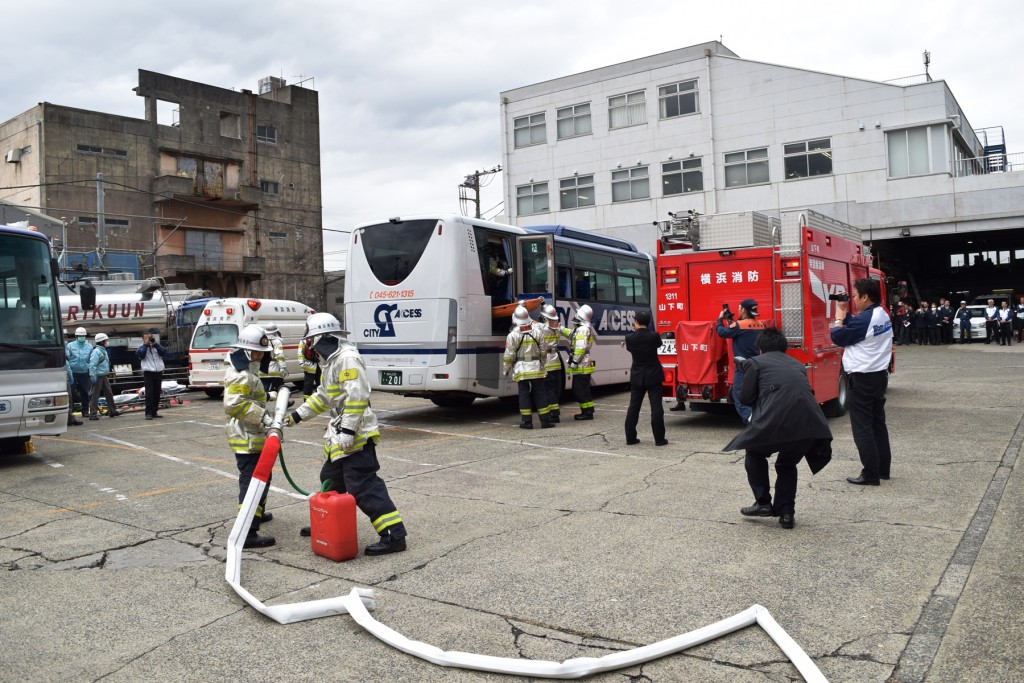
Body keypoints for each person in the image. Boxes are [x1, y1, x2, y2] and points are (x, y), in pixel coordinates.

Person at [285, 313, 408, 555]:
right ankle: (327, 520)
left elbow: (357, 396)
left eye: (311, 340)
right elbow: (322, 396)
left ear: (321, 337)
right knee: (330, 480)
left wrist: (349, 431)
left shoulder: (347, 359)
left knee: (363, 486)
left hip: (356, 436)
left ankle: (394, 535)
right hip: (340, 436)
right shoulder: (330, 361)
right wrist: (295, 417)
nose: (308, 346)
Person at [723, 328, 833, 529]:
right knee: (786, 465)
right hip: (811, 425)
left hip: (777, 422)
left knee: (754, 452)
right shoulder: (799, 365)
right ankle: (786, 514)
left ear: (761, 348)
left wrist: (744, 374)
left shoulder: (756, 363)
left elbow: (746, 398)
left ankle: (763, 503)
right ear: (785, 347)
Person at [831, 277, 893, 486]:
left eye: (856, 296)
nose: (854, 299)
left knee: (862, 428)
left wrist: (839, 317)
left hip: (862, 379)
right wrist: (846, 312)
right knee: (877, 425)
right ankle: (882, 470)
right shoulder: (880, 313)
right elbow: (858, 326)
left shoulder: (866, 319)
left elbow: (838, 336)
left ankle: (870, 474)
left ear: (865, 297)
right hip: (878, 376)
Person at [223, 324, 276, 549]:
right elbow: (234, 404)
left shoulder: (247, 372)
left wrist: (270, 395)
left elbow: (249, 395)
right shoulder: (241, 374)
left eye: (261, 353)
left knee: (262, 479)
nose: (260, 356)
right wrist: (264, 417)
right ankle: (248, 531)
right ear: (245, 351)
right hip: (247, 437)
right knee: (254, 482)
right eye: (256, 353)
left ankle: (256, 513)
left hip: (251, 436)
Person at [503, 305, 554, 429]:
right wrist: (542, 365)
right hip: (536, 368)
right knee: (540, 393)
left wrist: (506, 369)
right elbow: (543, 352)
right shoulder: (537, 332)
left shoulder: (512, 335)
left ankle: (527, 422)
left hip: (521, 369)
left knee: (524, 395)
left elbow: (509, 355)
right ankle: (545, 421)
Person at [716, 298, 765, 425]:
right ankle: (759, 422)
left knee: (740, 398)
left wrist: (720, 319)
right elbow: (743, 333)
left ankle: (753, 425)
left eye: (739, 308)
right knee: (754, 397)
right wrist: (732, 321)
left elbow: (721, 332)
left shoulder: (739, 325)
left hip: (743, 368)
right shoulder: (760, 324)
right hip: (757, 366)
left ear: (743, 309)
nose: (738, 310)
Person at [623, 310, 667, 446]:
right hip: (654, 375)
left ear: (636, 322)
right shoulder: (654, 336)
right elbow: (659, 345)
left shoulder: (629, 338)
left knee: (634, 407)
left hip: (637, 376)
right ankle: (659, 439)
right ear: (648, 323)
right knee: (656, 408)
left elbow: (630, 348)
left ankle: (630, 438)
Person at [563, 304, 597, 420]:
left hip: (581, 366)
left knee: (579, 390)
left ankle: (586, 413)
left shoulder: (582, 329)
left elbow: (580, 348)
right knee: (584, 389)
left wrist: (574, 363)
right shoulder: (582, 328)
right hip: (584, 365)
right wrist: (559, 329)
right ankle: (588, 411)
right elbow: (571, 334)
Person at [538, 304, 564, 423]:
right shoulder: (558, 328)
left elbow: (529, 323)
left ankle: (553, 414)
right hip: (557, 362)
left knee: (548, 390)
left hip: (547, 363)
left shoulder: (542, 328)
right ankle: (555, 413)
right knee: (555, 390)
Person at [87, 333, 120, 419]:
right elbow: (92, 365)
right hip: (97, 376)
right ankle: (93, 414)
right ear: (102, 341)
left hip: (103, 375)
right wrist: (93, 376)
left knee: (109, 393)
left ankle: (112, 411)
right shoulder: (97, 352)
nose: (107, 342)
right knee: (95, 395)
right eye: (105, 340)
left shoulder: (103, 350)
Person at [136, 328, 167, 420]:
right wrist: (146, 345)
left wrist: (155, 344)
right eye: (146, 338)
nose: (149, 339)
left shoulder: (156, 347)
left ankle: (154, 412)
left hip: (158, 373)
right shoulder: (141, 348)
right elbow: (141, 355)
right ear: (143, 339)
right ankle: (148, 413)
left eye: (150, 338)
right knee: (149, 394)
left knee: (157, 393)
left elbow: (164, 352)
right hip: (148, 373)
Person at [65, 326, 93, 420]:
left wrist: (91, 372)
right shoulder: (70, 346)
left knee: (85, 392)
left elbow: (91, 360)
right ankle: (70, 412)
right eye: (80, 336)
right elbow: (67, 358)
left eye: (83, 336)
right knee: (71, 393)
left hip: (84, 373)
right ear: (76, 336)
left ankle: (85, 411)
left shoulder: (89, 347)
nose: (82, 337)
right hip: (73, 373)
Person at [259, 322, 288, 395]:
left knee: (264, 391)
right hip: (274, 369)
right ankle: (284, 404)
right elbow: (279, 355)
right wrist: (282, 367)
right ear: (275, 331)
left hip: (262, 370)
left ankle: (261, 405)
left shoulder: (261, 340)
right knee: (281, 389)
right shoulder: (277, 341)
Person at [297, 333, 320, 398]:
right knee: (315, 384)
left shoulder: (304, 339)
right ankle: (309, 402)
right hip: (315, 365)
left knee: (310, 385)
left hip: (311, 365)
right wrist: (301, 363)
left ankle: (308, 402)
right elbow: (300, 353)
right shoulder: (318, 337)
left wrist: (301, 363)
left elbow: (300, 352)